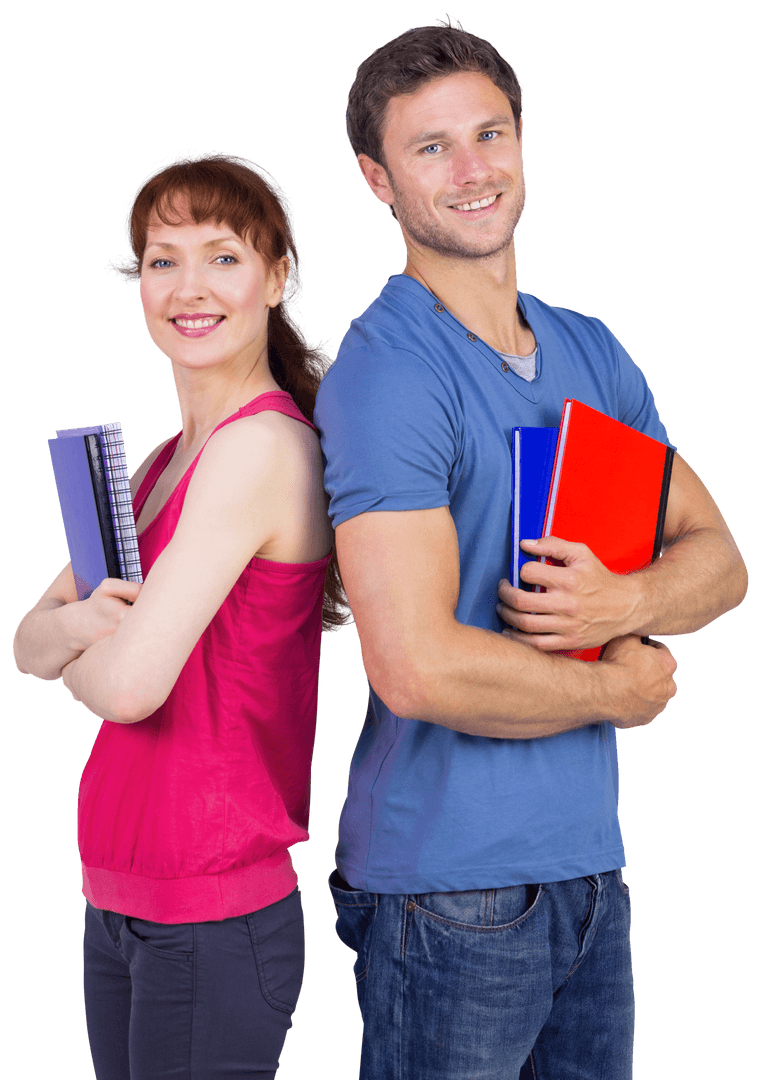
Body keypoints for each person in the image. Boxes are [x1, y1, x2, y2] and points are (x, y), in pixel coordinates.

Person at [314, 18, 748, 1080]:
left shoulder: (589, 351)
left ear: (520, 141)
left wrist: (622, 603)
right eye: (430, 148)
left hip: (587, 874)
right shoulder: (389, 375)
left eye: (489, 134)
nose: (472, 170)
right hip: (445, 889)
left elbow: (720, 559)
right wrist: (614, 691)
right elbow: (412, 666)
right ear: (377, 179)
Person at [13, 151, 350, 1080]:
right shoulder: (162, 462)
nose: (188, 288)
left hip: (209, 919)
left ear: (275, 278)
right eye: (164, 260)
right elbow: (24, 642)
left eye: (223, 257)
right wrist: (78, 632)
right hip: (118, 904)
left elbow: (128, 688)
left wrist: (79, 640)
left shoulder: (261, 450)